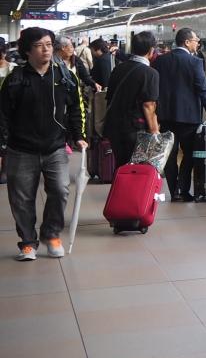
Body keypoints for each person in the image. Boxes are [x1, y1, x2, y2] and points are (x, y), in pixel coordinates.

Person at [0, 28, 87, 260]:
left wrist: (79, 135)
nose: (46, 49)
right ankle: (28, 243)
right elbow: (2, 115)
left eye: (49, 44)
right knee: (21, 199)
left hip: (55, 147)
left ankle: (51, 234)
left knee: (60, 189)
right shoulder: (15, 80)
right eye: (39, 45)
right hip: (21, 149)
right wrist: (2, 145)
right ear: (27, 51)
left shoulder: (65, 77)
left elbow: (76, 107)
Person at [154, 28, 206, 202]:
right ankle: (183, 189)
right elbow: (203, 89)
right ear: (187, 42)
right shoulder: (195, 62)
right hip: (189, 118)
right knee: (189, 155)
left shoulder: (160, 61)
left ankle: (173, 190)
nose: (198, 43)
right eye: (196, 40)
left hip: (166, 117)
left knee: (170, 155)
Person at [105, 31, 161, 167]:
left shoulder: (118, 69)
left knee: (121, 166)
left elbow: (109, 96)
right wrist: (155, 132)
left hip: (115, 127)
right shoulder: (150, 73)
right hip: (135, 131)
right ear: (151, 50)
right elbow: (149, 105)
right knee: (136, 169)